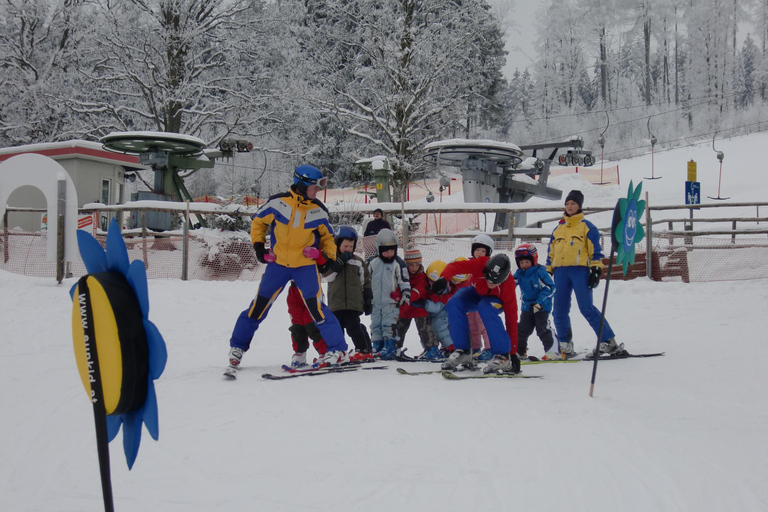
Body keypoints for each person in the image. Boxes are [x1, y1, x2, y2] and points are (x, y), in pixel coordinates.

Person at [226, 165, 349, 370]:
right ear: (302, 184)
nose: (317, 191)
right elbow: (258, 222)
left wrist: (325, 258)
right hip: (279, 265)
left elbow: (328, 237)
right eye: (315, 187)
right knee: (258, 307)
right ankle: (237, 347)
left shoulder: (318, 209)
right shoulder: (278, 202)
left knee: (317, 309)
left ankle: (337, 350)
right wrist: (259, 249)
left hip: (305, 267)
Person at [545, 189, 623, 357]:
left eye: (573, 203)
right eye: (567, 203)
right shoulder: (558, 229)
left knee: (586, 308)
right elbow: (551, 252)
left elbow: (595, 250)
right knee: (559, 309)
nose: (570, 206)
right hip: (560, 272)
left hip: (579, 270)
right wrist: (547, 271)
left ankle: (608, 341)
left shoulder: (587, 227)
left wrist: (596, 269)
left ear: (579, 206)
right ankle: (565, 344)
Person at [431, 253, 521, 374]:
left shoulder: (508, 286)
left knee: (485, 307)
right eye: (488, 279)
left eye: (496, 282)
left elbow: (511, 319)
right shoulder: (480, 264)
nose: (491, 283)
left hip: (494, 301)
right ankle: (463, 351)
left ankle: (502, 355)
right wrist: (444, 278)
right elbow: (455, 266)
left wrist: (512, 353)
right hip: (476, 293)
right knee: (453, 303)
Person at [323, 225, 374, 362]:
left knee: (353, 327)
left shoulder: (357, 261)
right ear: (337, 244)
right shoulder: (332, 260)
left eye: (351, 246)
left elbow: (365, 281)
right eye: (345, 246)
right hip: (336, 303)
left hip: (353, 303)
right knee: (337, 330)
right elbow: (327, 277)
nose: (348, 249)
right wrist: (338, 263)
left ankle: (364, 350)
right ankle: (339, 352)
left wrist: (367, 297)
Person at [366, 228, 411, 360]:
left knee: (388, 324)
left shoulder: (398, 263)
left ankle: (390, 346)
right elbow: (364, 280)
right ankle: (377, 345)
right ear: (379, 249)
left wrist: (405, 294)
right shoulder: (372, 262)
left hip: (391, 302)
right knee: (375, 324)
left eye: (392, 250)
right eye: (386, 251)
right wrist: (365, 296)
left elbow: (404, 280)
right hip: (375, 301)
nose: (390, 254)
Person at [512, 244, 558, 360]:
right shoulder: (520, 273)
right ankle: (519, 351)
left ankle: (553, 350)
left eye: (527, 262)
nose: (524, 265)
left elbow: (550, 289)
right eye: (521, 263)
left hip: (541, 306)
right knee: (522, 330)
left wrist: (539, 303)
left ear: (533, 260)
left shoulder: (540, 272)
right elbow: (511, 284)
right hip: (527, 307)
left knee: (542, 328)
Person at [395, 249, 439, 359]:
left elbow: (419, 290)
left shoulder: (421, 277)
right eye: (411, 265)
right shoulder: (402, 275)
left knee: (424, 329)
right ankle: (395, 347)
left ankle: (431, 349)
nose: (414, 268)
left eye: (416, 265)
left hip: (419, 307)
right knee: (399, 328)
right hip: (405, 308)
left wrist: (407, 298)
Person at [286, 282, 328, 367]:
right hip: (294, 289)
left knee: (313, 322)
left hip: (311, 285)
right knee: (297, 324)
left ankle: (324, 352)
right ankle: (300, 352)